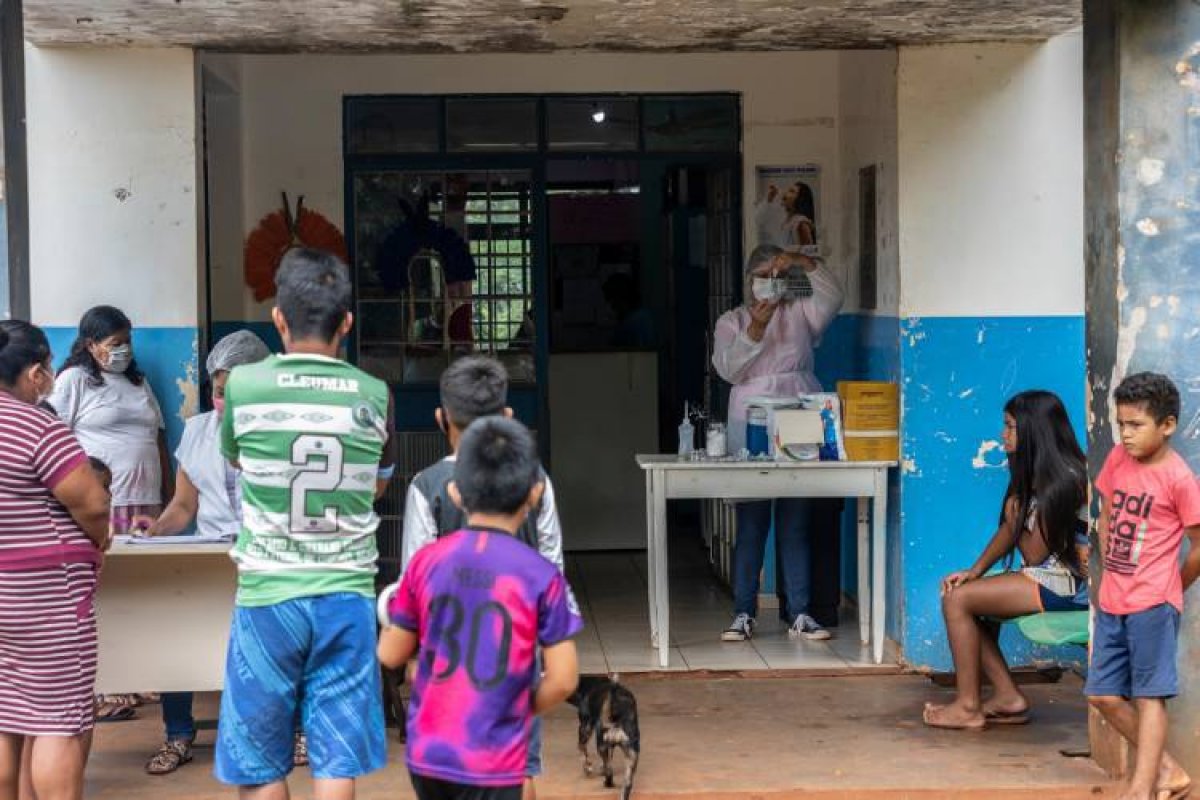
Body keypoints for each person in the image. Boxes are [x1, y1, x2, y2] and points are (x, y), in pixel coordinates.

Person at [214, 248, 397, 799]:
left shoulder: (242, 387)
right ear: (347, 322)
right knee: (335, 757)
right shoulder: (375, 394)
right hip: (345, 594)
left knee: (261, 761)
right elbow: (377, 483)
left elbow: (239, 460)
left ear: (277, 318)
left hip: (268, 594)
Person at [378, 416, 582, 800]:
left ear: (456, 494)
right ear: (534, 495)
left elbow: (390, 652)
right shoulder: (540, 576)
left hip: (431, 755)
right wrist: (515, 708)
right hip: (496, 759)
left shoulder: (427, 564)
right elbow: (565, 679)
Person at [140, 330, 311, 777]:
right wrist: (157, 529)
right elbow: (183, 506)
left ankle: (293, 729)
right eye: (219, 392)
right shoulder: (197, 432)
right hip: (210, 555)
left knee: (282, 645)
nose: (226, 401)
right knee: (177, 636)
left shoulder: (287, 430)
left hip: (269, 556)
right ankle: (178, 733)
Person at [921, 391, 1089, 731]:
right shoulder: (1035, 473)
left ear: (1033, 431)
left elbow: (1034, 553)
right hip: (1046, 576)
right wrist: (975, 571)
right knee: (963, 593)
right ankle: (1007, 696)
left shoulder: (1066, 479)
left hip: (1068, 583)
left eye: (1010, 427)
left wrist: (1015, 508)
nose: (1003, 434)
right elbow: (1009, 531)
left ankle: (968, 706)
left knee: (958, 601)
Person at [0, 320, 111, 800]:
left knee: (4, 716)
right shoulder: (37, 425)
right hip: (44, 598)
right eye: (44, 368)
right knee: (57, 719)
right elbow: (92, 502)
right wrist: (99, 541)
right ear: (32, 374)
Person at [711, 243, 844, 642]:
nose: (770, 284)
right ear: (750, 281)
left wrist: (803, 262)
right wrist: (756, 328)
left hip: (799, 409)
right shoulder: (731, 321)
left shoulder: (801, 312)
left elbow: (833, 295)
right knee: (752, 522)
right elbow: (728, 369)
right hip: (750, 413)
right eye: (763, 276)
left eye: (777, 276)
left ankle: (800, 611)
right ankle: (743, 611)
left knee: (796, 519)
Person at [1086, 373, 1200, 800]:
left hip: (1153, 601)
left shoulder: (1179, 479)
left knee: (1150, 696)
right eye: (1121, 425)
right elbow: (1108, 515)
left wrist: (1173, 586)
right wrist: (1108, 577)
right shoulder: (1118, 459)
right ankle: (1168, 770)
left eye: (1136, 425)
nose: (1126, 434)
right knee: (1103, 694)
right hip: (1115, 598)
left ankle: (1142, 788)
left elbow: (1198, 545)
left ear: (1166, 425)